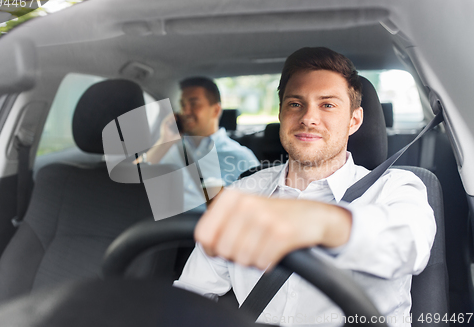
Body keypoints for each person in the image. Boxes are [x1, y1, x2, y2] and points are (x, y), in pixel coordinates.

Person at [173, 48, 436, 326]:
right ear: (281, 114)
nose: (308, 117)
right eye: (296, 104)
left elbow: (410, 245)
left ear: (354, 120)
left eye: (328, 105)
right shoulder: (242, 193)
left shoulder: (396, 188)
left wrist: (321, 223)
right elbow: (191, 294)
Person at [138, 76, 259, 211]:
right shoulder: (167, 148)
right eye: (183, 105)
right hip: (160, 228)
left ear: (216, 110)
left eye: (194, 104)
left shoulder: (241, 157)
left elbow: (258, 211)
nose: (185, 112)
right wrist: (164, 141)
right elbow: (128, 183)